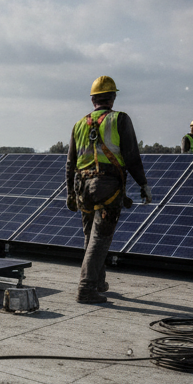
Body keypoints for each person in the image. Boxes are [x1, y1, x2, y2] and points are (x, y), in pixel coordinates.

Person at [66, 75, 151, 304]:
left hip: (82, 187)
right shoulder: (120, 120)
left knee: (89, 237)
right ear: (112, 98)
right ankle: (86, 288)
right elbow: (132, 156)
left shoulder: (79, 124)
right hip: (107, 187)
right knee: (99, 239)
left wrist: (70, 193)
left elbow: (70, 163)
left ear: (93, 99)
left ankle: (98, 282)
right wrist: (143, 184)